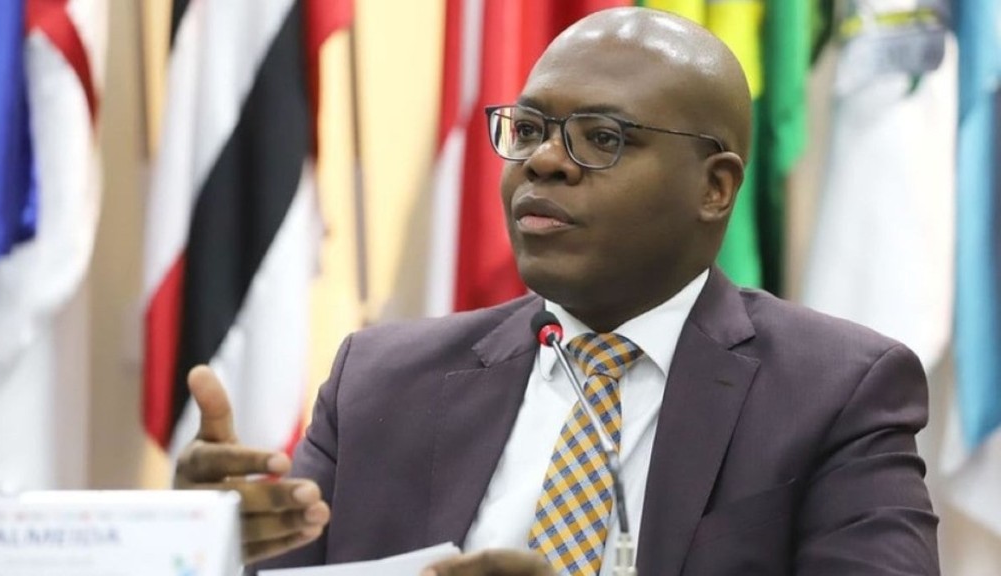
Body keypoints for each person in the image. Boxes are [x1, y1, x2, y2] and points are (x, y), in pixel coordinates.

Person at [175, 7, 940, 575]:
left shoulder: (836, 391)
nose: (543, 161)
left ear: (714, 188)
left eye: (602, 138)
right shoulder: (378, 383)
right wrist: (201, 544)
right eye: (530, 129)